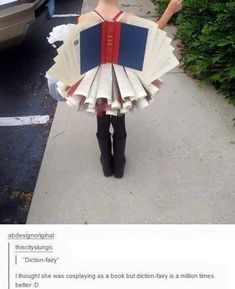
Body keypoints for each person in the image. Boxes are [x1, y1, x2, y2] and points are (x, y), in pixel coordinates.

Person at [78, 0, 182, 179]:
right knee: (119, 121)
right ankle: (119, 165)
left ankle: (105, 162)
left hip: (97, 82)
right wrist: (170, 11)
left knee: (101, 121)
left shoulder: (84, 19)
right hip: (121, 81)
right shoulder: (128, 18)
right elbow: (153, 36)